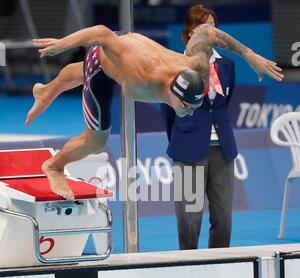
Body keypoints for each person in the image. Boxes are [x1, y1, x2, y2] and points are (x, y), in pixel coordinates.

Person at [27, 23, 283, 200]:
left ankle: (46, 91)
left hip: (126, 48)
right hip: (103, 60)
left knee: (99, 70)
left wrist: (249, 54)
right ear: (172, 93)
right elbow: (102, 34)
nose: (189, 112)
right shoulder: (141, 77)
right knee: (97, 140)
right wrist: (62, 44)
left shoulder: (195, 66)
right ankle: (54, 166)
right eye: (185, 106)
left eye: (194, 106)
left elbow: (207, 32)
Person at [161, 4, 237, 249]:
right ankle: (189, 266)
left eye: (214, 28)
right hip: (188, 150)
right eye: (205, 28)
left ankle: (221, 263)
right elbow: (168, 110)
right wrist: (185, 136)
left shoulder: (227, 66)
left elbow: (223, 105)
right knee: (188, 222)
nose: (211, 34)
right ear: (190, 32)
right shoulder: (175, 65)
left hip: (223, 151)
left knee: (223, 219)